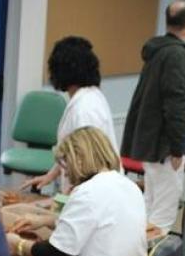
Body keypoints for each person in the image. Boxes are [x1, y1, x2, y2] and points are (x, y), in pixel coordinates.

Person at [5, 126, 146, 256]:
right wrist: (46, 220)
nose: (66, 172)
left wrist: (19, 245)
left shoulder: (88, 193)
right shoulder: (128, 186)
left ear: (79, 158)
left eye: (65, 163)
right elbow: (96, 225)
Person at [121, 1, 185, 232]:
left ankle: (137, 253)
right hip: (165, 147)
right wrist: (177, 147)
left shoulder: (159, 51)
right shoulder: (178, 55)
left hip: (152, 143)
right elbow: (176, 104)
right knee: (162, 217)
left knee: (149, 207)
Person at [21, 36, 117, 193]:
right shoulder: (88, 96)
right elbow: (71, 151)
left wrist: (63, 200)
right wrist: (51, 175)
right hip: (89, 190)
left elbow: (87, 167)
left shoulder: (85, 110)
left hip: (91, 193)